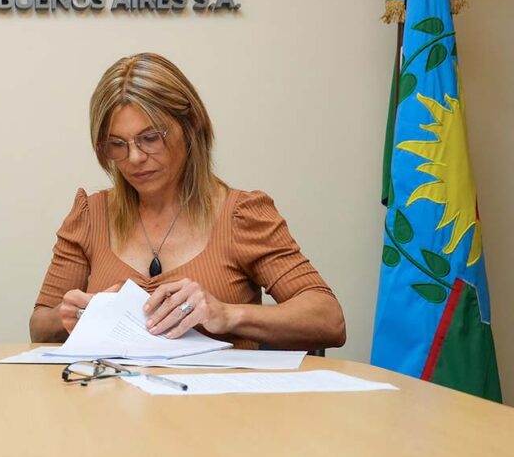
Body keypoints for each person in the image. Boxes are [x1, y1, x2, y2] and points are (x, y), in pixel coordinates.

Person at [30, 53, 345, 351]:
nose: (135, 157)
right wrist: (66, 315)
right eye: (117, 144)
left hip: (216, 392)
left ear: (191, 126)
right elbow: (40, 328)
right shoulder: (90, 216)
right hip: (110, 389)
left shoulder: (241, 215)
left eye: (150, 138)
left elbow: (329, 319)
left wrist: (226, 314)